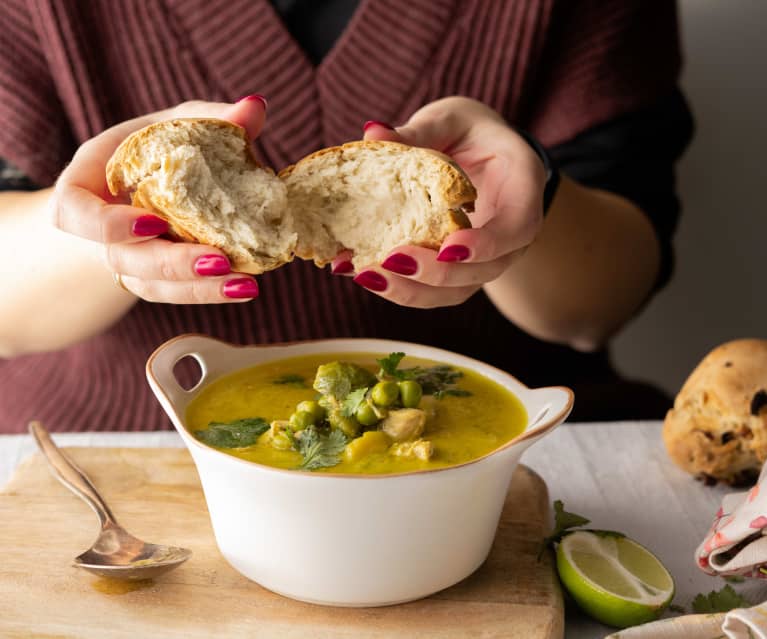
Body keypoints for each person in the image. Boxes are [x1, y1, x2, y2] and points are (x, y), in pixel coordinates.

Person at [0, 0, 693, 432]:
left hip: (489, 444)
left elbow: (601, 305)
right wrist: (124, 220)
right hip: (119, 453)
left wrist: (520, 199)